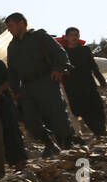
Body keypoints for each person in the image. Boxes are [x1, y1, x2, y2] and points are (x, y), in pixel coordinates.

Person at [5, 12, 76, 154]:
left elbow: (60, 53)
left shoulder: (39, 36)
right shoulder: (12, 47)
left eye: (11, 26)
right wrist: (15, 90)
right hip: (26, 86)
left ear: (21, 24)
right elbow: (12, 70)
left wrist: (58, 69)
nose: (9, 30)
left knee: (57, 114)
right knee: (30, 119)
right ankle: (48, 143)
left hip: (46, 81)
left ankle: (68, 145)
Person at [61, 27, 107, 138]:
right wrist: (64, 72)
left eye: (76, 35)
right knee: (83, 110)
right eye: (71, 35)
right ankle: (98, 132)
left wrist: (101, 79)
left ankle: (102, 129)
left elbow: (93, 66)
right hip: (73, 86)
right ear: (67, 37)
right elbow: (60, 68)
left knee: (97, 107)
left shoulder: (85, 49)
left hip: (88, 83)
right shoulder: (63, 52)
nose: (74, 37)